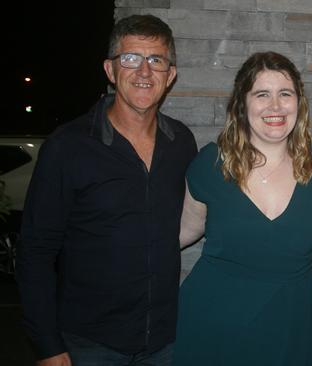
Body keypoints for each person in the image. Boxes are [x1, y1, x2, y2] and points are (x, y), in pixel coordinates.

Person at [16, 14, 197, 366]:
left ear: (170, 75)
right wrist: (47, 346)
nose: (144, 72)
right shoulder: (68, 146)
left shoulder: (182, 143)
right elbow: (35, 252)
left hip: (164, 342)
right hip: (89, 343)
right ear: (110, 70)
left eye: (156, 60)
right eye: (130, 59)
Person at [171, 51, 312, 366]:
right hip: (213, 323)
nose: (275, 106)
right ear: (242, 105)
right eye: (262, 94)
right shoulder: (211, 163)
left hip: (291, 325)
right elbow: (182, 232)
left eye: (285, 94)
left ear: (298, 103)